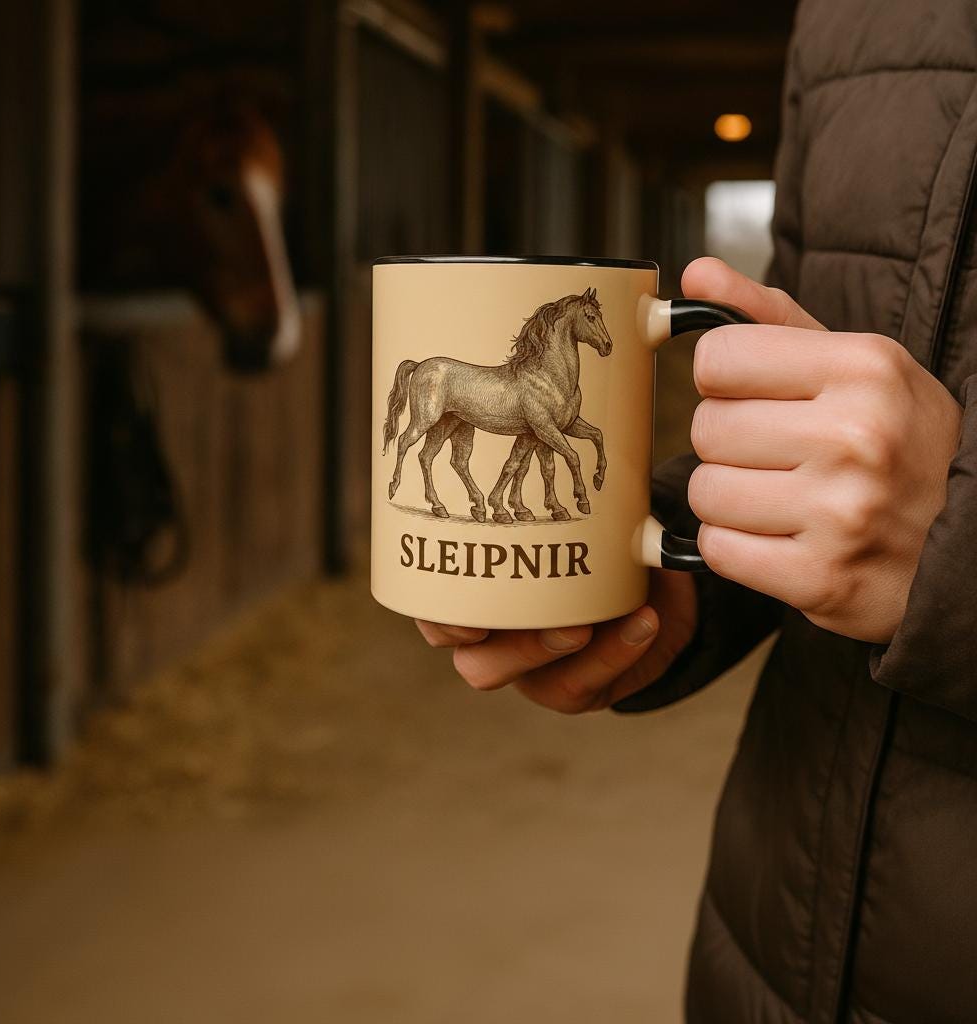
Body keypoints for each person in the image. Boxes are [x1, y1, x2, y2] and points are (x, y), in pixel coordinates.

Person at [416, 1, 977, 1021]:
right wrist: (679, 576)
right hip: (772, 927)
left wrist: (958, 564)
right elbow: (826, 367)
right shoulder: (844, 15)